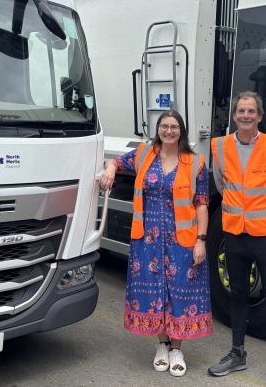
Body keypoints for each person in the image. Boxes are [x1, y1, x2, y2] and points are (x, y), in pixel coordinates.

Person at [100, 109, 212, 377]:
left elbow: (202, 204)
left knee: (180, 292)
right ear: (158, 129)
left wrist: (201, 240)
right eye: (164, 126)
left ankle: (177, 349)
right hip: (147, 240)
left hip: (182, 240)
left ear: (181, 131)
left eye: (174, 127)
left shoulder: (195, 163)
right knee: (154, 292)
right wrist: (111, 169)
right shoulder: (143, 154)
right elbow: (116, 161)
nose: (169, 131)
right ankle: (162, 345)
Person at [207, 91, 266, 387]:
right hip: (236, 235)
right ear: (234, 116)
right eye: (241, 111)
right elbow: (222, 185)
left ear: (259, 116)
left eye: (251, 111)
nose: (245, 116)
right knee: (237, 295)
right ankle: (237, 353)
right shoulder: (220, 147)